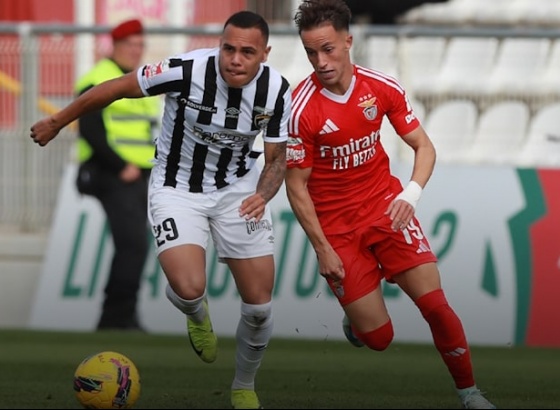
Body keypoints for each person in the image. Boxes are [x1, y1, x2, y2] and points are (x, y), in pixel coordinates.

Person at [30, 10, 290, 409]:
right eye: (228, 48)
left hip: (239, 191)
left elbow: (276, 159)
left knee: (258, 308)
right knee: (189, 289)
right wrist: (58, 121)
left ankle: (243, 385)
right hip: (177, 187)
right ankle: (194, 312)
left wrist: (264, 194)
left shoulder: (276, 90)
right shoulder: (185, 69)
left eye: (247, 52)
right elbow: (114, 87)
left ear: (265, 54)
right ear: (220, 45)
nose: (235, 59)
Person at [285, 1, 496, 409]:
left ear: (348, 42)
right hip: (338, 230)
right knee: (379, 339)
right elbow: (297, 187)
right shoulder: (300, 110)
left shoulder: (381, 87)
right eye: (311, 52)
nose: (320, 61)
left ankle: (470, 395)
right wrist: (322, 248)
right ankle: (359, 314)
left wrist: (410, 194)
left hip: (386, 210)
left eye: (327, 49)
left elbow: (423, 147)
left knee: (436, 306)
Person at [73, 18, 161, 331]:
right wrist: (120, 166)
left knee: (135, 245)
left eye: (141, 45)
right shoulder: (99, 77)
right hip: (112, 173)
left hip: (138, 174)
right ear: (116, 46)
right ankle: (116, 317)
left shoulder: (136, 79)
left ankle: (123, 315)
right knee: (133, 243)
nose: (137, 52)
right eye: (131, 45)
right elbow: (90, 128)